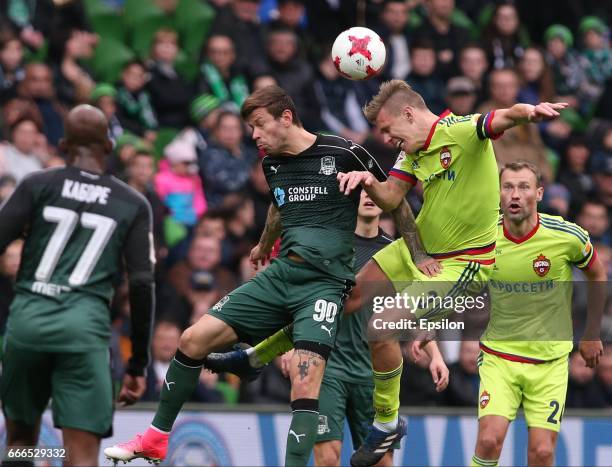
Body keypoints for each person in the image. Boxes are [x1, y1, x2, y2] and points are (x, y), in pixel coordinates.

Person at [104, 85, 427, 466]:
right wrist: (263, 243)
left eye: (258, 125)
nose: (253, 135)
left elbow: (395, 200)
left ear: (285, 118)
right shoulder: (271, 164)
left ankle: (255, 364)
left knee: (304, 385)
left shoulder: (343, 152)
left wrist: (419, 253)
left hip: (325, 286)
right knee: (193, 339)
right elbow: (279, 205)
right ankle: (156, 438)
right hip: (282, 275)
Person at [336, 79, 568, 465]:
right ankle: (262, 353)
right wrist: (368, 181)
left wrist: (528, 111)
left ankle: (386, 422)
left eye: (388, 129)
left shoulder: (461, 131)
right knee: (344, 299)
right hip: (420, 252)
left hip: (460, 263)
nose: (387, 138)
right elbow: (392, 198)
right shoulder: (412, 153)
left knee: (380, 325)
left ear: (408, 114)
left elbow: (500, 119)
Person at [205, 190, 449, 466]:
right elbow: (301, 296)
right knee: (328, 457)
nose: (368, 198)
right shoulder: (331, 244)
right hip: (328, 365)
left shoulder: (394, 251)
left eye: (373, 193)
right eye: (361, 193)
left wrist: (435, 355)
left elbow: (412, 307)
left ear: (385, 200)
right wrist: (290, 347)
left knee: (381, 463)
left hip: (372, 372)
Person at [0, 105, 155, 465]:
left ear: (63, 144)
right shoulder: (132, 204)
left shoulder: (37, 184)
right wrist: (137, 364)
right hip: (83, 332)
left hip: (28, 324)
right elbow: (143, 284)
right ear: (110, 146)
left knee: (20, 443)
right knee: (80, 456)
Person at [472, 161, 607, 466]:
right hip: (499, 357)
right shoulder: (482, 235)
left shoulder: (566, 236)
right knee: (489, 440)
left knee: (543, 452)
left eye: (523, 187)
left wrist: (591, 333)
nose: (514, 195)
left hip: (549, 361)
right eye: (507, 187)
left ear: (539, 193)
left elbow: (597, 275)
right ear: (498, 193)